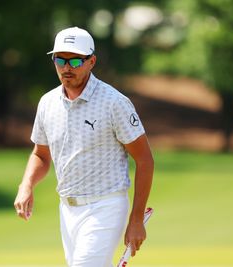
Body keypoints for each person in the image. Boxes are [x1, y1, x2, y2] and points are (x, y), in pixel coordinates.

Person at [14, 26, 154, 267]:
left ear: (91, 61)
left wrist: (136, 219)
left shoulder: (114, 103)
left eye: (76, 60)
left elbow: (144, 160)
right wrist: (26, 185)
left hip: (105, 206)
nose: (67, 67)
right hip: (67, 210)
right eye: (60, 60)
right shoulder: (47, 103)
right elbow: (41, 155)